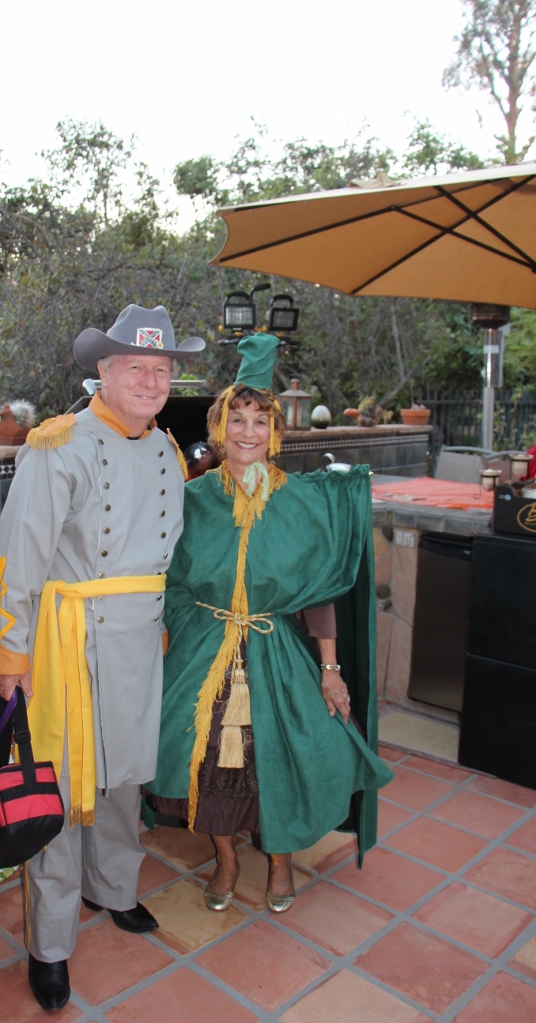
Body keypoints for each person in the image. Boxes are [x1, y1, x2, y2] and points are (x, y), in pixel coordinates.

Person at [0, 304, 204, 1010]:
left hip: (139, 641)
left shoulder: (167, 449)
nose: (149, 379)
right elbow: (18, 556)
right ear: (102, 373)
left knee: (123, 780)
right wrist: (7, 652)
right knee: (62, 789)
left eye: (161, 369)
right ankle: (49, 945)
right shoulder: (60, 445)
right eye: (135, 366)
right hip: (68, 645)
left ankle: (111, 889)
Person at [146, 333, 394, 913]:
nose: (248, 432)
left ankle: (281, 866)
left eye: (261, 420)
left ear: (275, 430)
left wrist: (330, 670)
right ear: (219, 426)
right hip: (203, 649)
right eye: (238, 418)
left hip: (273, 649)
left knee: (275, 760)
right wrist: (179, 641)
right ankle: (228, 861)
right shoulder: (194, 498)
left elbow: (318, 595)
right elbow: (174, 580)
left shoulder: (299, 501)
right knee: (204, 764)